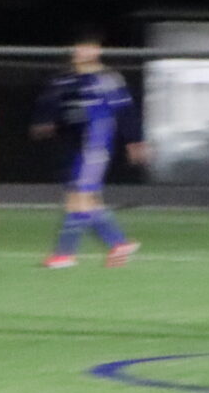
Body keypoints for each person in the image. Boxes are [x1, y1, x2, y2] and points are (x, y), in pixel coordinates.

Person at [28, 30, 145, 267]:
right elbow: (50, 104)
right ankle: (118, 243)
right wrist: (44, 121)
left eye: (87, 47)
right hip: (72, 146)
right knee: (87, 200)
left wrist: (134, 141)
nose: (82, 52)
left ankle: (65, 254)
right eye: (78, 47)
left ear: (96, 50)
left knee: (79, 198)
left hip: (95, 143)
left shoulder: (107, 79)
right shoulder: (65, 79)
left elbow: (125, 111)